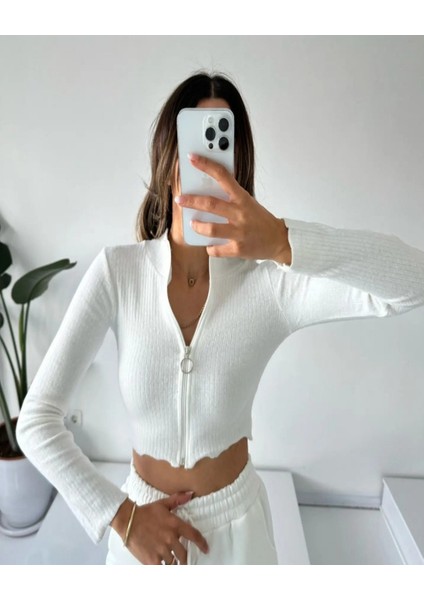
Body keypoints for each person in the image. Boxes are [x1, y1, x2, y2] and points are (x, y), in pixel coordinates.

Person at [16, 70, 424, 566]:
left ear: (239, 164)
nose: (205, 165)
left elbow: (412, 283)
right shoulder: (117, 273)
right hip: (142, 533)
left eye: (220, 148)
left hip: (240, 535)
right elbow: (35, 422)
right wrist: (121, 517)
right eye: (194, 144)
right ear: (168, 158)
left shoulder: (271, 283)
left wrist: (284, 241)